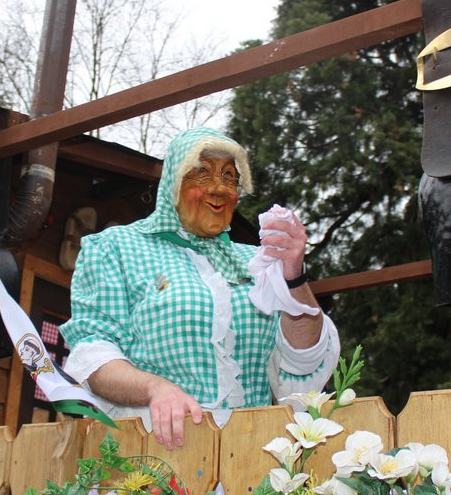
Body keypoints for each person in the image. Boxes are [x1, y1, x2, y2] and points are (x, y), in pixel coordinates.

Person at [61, 127, 340, 449]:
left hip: (254, 451)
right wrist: (156, 388)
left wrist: (293, 276)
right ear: (174, 183)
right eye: (203, 174)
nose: (219, 188)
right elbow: (94, 352)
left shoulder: (256, 261)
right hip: (157, 448)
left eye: (229, 176)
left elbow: (302, 362)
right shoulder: (116, 247)